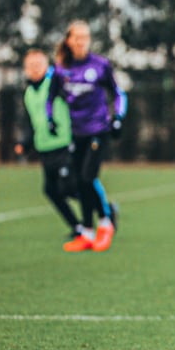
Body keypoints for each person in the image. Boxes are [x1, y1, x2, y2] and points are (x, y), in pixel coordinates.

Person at [47, 20, 126, 253]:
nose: (82, 41)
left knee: (87, 177)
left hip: (98, 131)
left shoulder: (100, 65)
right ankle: (87, 232)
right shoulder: (61, 68)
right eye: (77, 37)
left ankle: (105, 223)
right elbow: (51, 99)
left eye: (86, 37)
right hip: (76, 133)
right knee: (78, 182)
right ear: (69, 40)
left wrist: (118, 117)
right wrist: (50, 119)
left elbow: (118, 93)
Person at [14, 49, 88, 248]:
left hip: (64, 144)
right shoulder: (29, 93)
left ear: (46, 65)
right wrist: (24, 143)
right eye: (30, 66)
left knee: (69, 187)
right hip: (45, 148)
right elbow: (33, 122)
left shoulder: (57, 84)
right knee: (51, 190)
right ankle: (78, 226)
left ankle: (103, 209)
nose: (34, 69)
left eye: (38, 65)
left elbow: (76, 106)